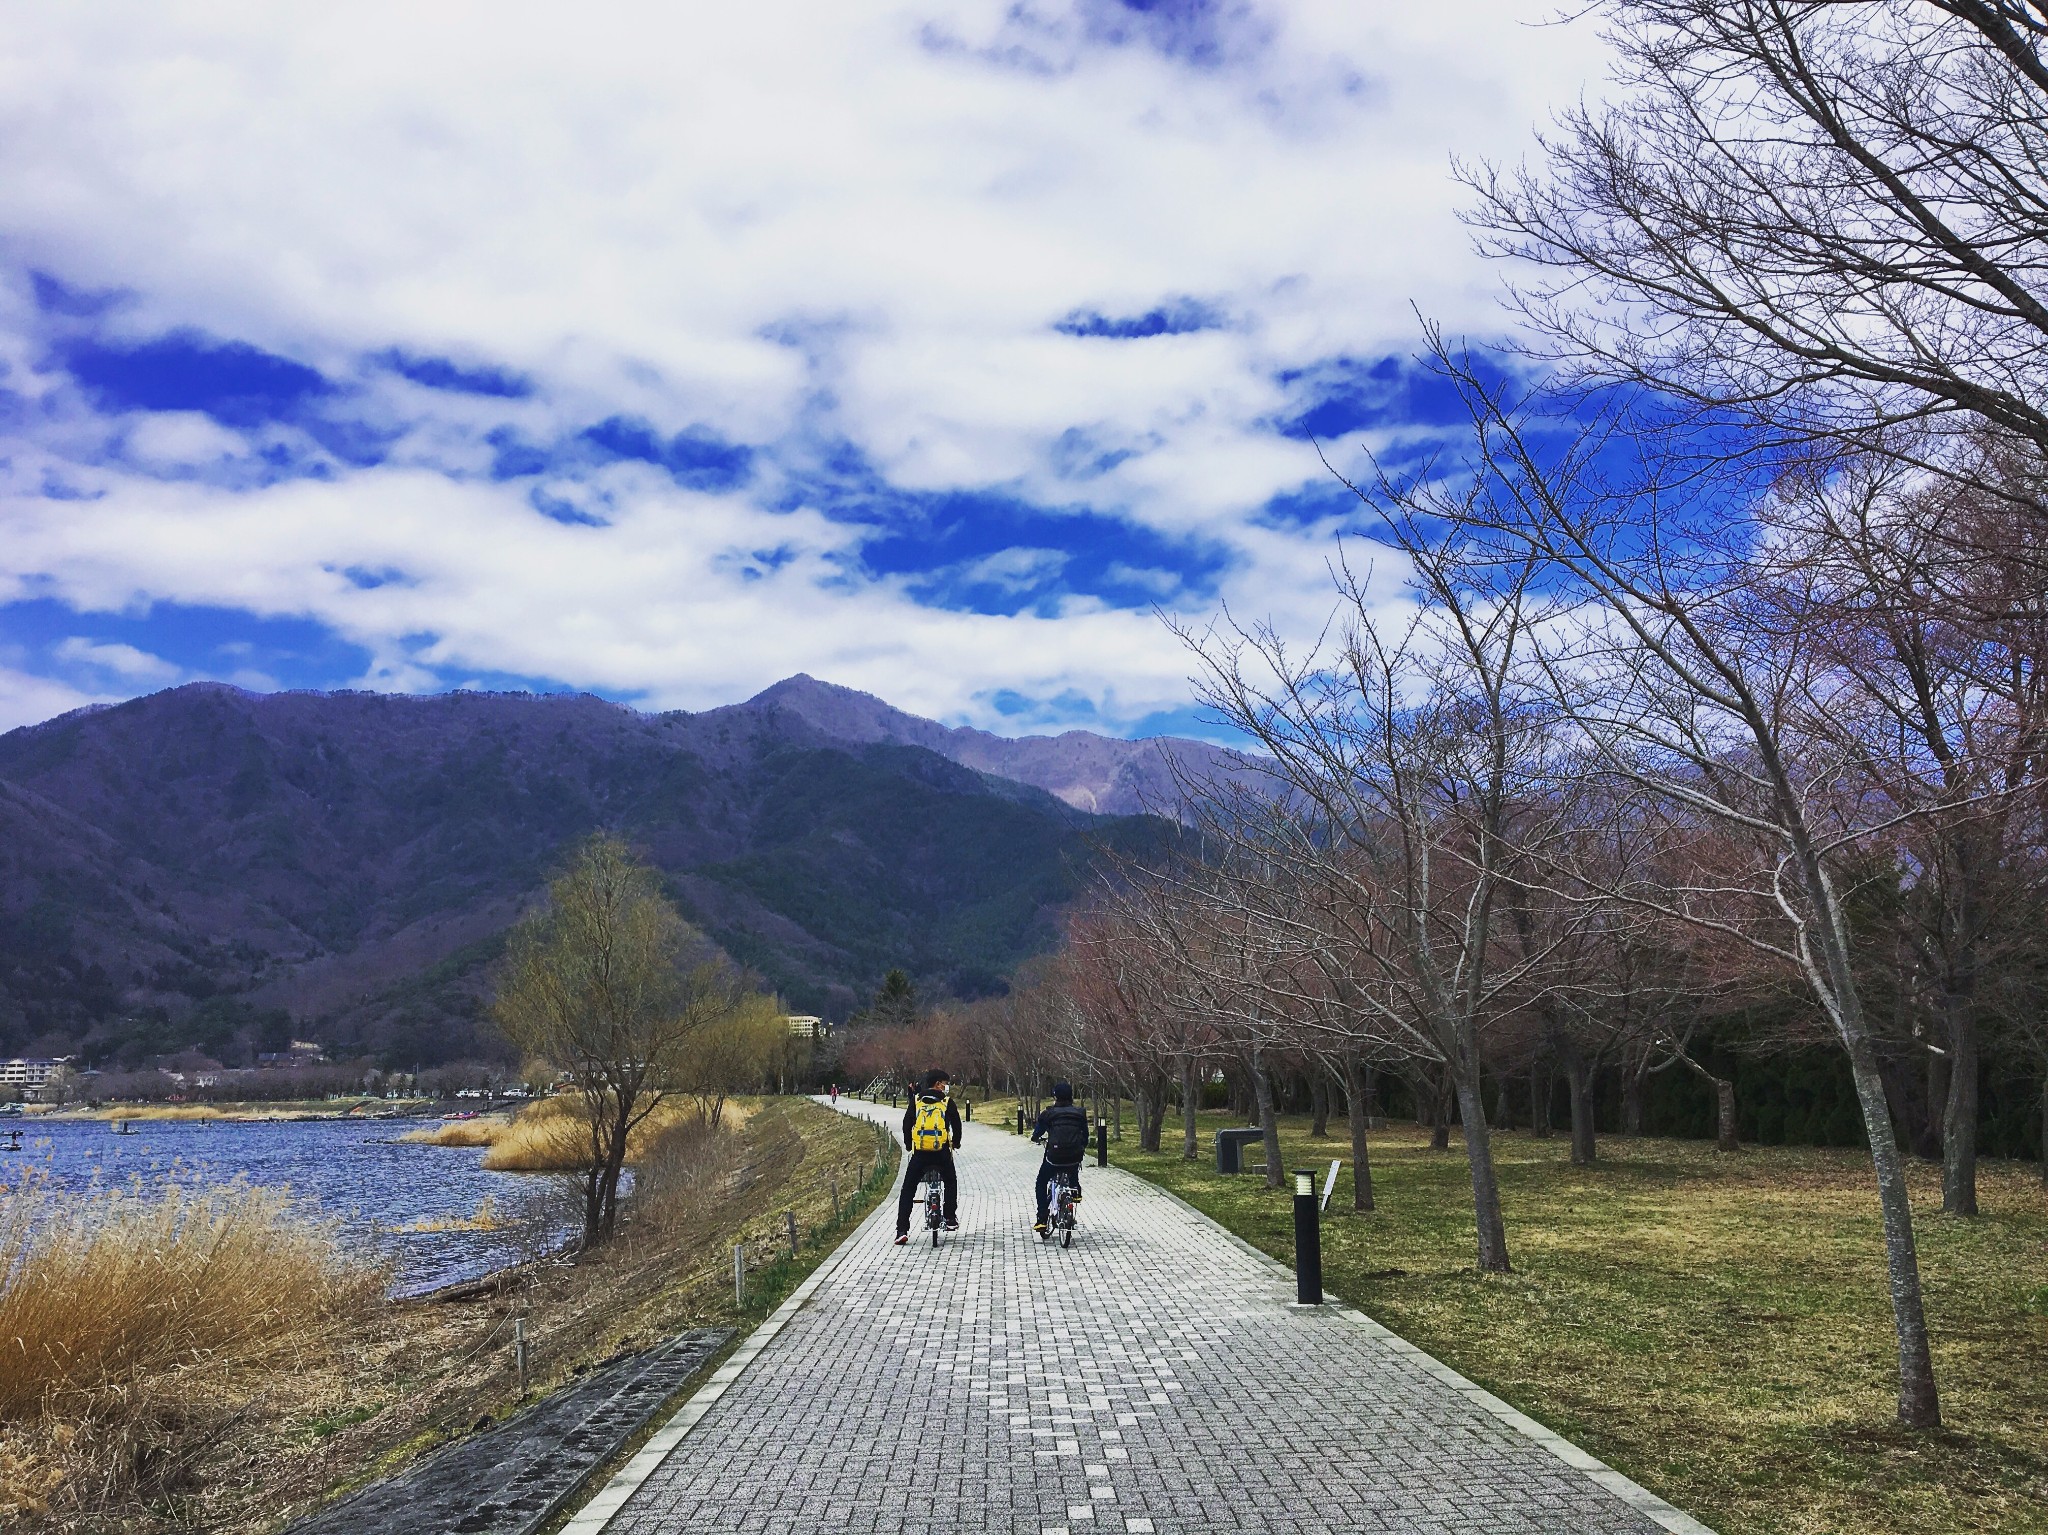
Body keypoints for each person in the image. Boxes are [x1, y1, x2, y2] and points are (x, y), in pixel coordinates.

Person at [895, 1068, 962, 1244]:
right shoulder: (947, 1102)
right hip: (941, 1153)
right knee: (950, 1181)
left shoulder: (916, 1100)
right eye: (945, 1084)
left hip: (920, 1154)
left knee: (908, 1189)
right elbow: (957, 1124)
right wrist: (956, 1142)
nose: (946, 1087)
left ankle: (902, 1230)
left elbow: (906, 1123)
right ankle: (949, 1218)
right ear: (938, 1083)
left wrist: (909, 1145)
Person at [1030, 1081, 1090, 1233]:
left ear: (1055, 1096)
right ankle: (1075, 1190)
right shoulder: (1080, 1113)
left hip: (1054, 1156)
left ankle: (1042, 1217)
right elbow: (1085, 1137)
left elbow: (1037, 1133)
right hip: (1074, 1157)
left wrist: (1036, 1138)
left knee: (1041, 1182)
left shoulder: (1048, 1113)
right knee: (1073, 1162)